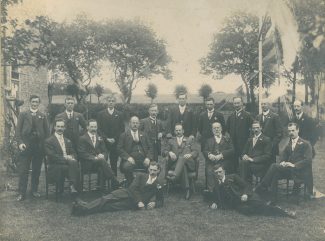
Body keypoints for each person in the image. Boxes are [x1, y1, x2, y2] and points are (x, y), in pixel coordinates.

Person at [71, 162, 164, 216]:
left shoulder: (159, 184)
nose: (152, 172)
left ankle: (81, 207)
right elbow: (133, 188)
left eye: (154, 170)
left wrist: (155, 204)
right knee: (105, 199)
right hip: (125, 193)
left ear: (158, 171)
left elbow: (161, 200)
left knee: (108, 207)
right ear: (148, 169)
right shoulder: (141, 175)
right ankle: (82, 209)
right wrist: (139, 201)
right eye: (151, 169)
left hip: (131, 204)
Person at [206, 165, 296, 218]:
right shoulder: (216, 187)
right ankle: (265, 205)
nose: (218, 174)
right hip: (237, 204)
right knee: (247, 211)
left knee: (261, 206)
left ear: (224, 171)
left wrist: (245, 194)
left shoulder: (233, 177)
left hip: (247, 197)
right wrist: (213, 203)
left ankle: (285, 213)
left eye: (220, 172)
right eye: (216, 173)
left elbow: (247, 186)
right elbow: (213, 197)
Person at [255, 123, 313, 202]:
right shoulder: (289, 144)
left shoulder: (306, 143)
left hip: (300, 171)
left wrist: (294, 165)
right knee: (275, 173)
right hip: (290, 171)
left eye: (293, 130)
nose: (291, 133)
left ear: (298, 130)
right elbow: (283, 156)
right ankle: (272, 199)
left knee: (274, 166)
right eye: (289, 131)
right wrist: (282, 162)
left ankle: (262, 187)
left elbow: (308, 160)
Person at [15, 95, 50, 201]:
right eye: (33, 102)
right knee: (23, 170)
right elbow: (18, 131)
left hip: (38, 147)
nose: (34, 104)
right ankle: (21, 192)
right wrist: (20, 143)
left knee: (36, 170)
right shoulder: (23, 114)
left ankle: (34, 190)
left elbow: (47, 133)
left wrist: (45, 146)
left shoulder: (42, 116)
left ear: (39, 103)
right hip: (26, 146)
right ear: (30, 102)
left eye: (36, 102)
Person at [78, 119, 120, 190]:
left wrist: (103, 155)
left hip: (99, 163)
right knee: (102, 162)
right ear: (87, 127)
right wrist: (94, 158)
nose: (94, 129)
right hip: (87, 164)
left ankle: (102, 189)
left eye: (95, 127)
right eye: (92, 127)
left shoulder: (100, 138)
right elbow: (82, 153)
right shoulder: (82, 139)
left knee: (102, 163)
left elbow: (105, 151)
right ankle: (114, 180)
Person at [44, 119, 81, 194]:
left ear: (64, 128)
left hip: (68, 164)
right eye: (58, 126)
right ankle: (73, 186)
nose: (60, 128)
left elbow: (74, 153)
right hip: (55, 165)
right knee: (74, 165)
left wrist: (71, 156)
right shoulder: (49, 141)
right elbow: (52, 156)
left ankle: (72, 186)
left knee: (73, 163)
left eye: (62, 126)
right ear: (54, 127)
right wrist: (66, 158)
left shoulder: (68, 140)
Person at [163, 123, 199, 200]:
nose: (178, 132)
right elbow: (164, 151)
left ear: (183, 131)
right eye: (176, 130)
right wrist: (169, 152)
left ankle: (175, 177)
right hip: (175, 164)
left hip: (189, 163)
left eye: (180, 130)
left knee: (182, 158)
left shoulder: (190, 140)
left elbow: (196, 151)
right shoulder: (171, 141)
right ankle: (187, 190)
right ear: (174, 131)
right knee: (183, 166)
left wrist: (190, 154)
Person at [292, 100, 318, 196]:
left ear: (302, 107)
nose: (296, 108)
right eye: (294, 106)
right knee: (296, 166)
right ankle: (296, 189)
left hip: (307, 149)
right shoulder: (294, 119)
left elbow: (315, 135)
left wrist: (309, 145)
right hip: (297, 148)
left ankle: (309, 191)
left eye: (298, 106)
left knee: (307, 169)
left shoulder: (308, 119)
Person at [117, 116, 153, 185]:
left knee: (155, 167)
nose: (135, 124)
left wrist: (148, 158)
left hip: (144, 159)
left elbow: (150, 147)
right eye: (133, 123)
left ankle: (146, 185)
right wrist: (128, 158)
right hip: (130, 160)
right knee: (126, 167)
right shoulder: (124, 135)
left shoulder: (144, 134)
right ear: (129, 124)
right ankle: (131, 184)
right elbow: (119, 149)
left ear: (139, 124)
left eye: (137, 123)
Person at [97, 94, 125, 176]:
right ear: (106, 102)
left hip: (115, 142)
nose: (111, 103)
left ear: (115, 103)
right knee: (103, 161)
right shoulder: (100, 114)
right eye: (109, 101)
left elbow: (122, 129)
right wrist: (106, 138)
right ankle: (102, 182)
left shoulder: (119, 114)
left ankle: (114, 182)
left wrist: (115, 139)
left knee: (114, 162)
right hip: (103, 142)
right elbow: (99, 129)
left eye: (113, 101)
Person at [226, 97, 254, 173]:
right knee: (234, 164)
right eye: (235, 103)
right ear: (233, 104)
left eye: (238, 103)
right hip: (233, 145)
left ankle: (247, 181)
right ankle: (235, 180)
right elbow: (227, 129)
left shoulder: (247, 115)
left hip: (244, 145)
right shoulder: (231, 116)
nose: (237, 105)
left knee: (245, 164)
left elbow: (253, 128)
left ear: (242, 103)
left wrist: (249, 140)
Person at [203, 122, 234, 191]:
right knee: (210, 171)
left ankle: (223, 190)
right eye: (214, 128)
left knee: (221, 171)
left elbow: (232, 150)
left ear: (221, 129)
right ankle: (211, 192)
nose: (216, 129)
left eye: (218, 128)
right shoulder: (209, 140)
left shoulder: (227, 139)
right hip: (212, 162)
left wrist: (221, 155)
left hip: (224, 162)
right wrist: (209, 154)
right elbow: (205, 150)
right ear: (212, 130)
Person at [256, 99, 282, 163]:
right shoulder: (258, 117)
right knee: (261, 163)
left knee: (271, 164)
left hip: (271, 146)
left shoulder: (275, 116)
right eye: (262, 104)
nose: (263, 105)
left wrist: (273, 144)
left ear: (269, 105)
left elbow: (279, 133)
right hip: (260, 146)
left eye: (265, 104)